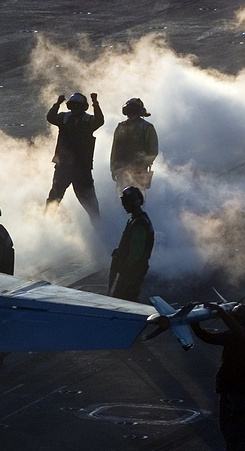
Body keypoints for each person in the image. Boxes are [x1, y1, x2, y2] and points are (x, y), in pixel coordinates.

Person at [191, 302, 245, 451]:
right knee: (232, 434)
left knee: (237, 435)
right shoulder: (240, 336)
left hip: (238, 396)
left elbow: (233, 332)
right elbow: (209, 338)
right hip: (235, 394)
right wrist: (195, 324)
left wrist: (221, 312)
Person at [44, 92, 104, 223]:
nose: (75, 108)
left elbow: (99, 121)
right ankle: (46, 224)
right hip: (63, 167)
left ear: (84, 107)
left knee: (91, 204)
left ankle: (98, 227)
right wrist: (57, 104)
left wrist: (95, 103)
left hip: (82, 169)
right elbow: (50, 117)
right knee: (54, 198)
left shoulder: (88, 121)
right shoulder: (64, 118)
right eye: (73, 105)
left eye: (78, 106)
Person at [109, 186, 154, 301]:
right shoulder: (135, 219)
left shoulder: (139, 223)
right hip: (132, 270)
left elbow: (136, 251)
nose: (123, 205)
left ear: (135, 203)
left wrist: (125, 266)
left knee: (124, 300)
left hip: (133, 271)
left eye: (126, 202)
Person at [110, 98, 159, 197]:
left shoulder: (147, 128)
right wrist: (114, 168)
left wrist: (142, 165)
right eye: (129, 111)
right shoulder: (121, 127)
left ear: (139, 113)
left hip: (140, 172)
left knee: (138, 199)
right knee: (122, 198)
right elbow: (115, 149)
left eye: (134, 111)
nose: (131, 114)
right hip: (122, 170)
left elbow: (153, 151)